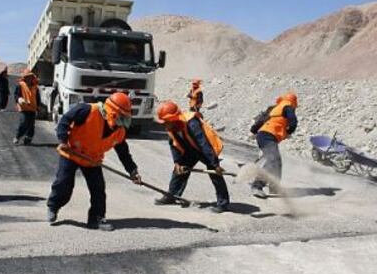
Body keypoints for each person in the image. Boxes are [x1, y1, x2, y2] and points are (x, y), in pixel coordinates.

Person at [46, 92, 142, 231]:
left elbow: (124, 154)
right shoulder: (87, 110)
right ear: (112, 113)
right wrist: (63, 140)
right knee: (63, 183)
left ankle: (96, 219)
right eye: (120, 118)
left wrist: (133, 171)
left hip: (92, 160)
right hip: (71, 152)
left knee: (98, 190)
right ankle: (53, 206)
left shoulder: (119, 131)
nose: (121, 123)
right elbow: (65, 120)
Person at [154, 100, 229, 213]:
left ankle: (223, 204)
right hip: (190, 149)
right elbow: (173, 144)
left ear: (173, 118)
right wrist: (177, 162)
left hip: (207, 150)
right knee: (179, 171)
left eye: (165, 121)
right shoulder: (171, 127)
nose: (163, 124)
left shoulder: (191, 122)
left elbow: (203, 143)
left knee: (215, 174)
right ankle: (172, 195)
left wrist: (215, 163)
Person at [248, 92, 298, 199]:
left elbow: (261, 121)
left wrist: (253, 130)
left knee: (277, 162)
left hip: (263, 135)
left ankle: (274, 188)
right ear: (293, 102)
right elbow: (293, 122)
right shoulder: (288, 107)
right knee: (273, 161)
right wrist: (289, 131)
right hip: (268, 136)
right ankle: (257, 185)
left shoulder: (276, 109)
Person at [13, 70, 41, 145]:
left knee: (31, 125)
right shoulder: (20, 85)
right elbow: (16, 95)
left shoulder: (35, 87)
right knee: (24, 122)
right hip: (24, 108)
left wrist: (38, 106)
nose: (29, 78)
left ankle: (28, 139)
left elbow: (37, 97)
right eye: (27, 77)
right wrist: (19, 99)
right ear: (24, 78)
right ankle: (17, 136)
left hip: (32, 108)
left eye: (30, 77)